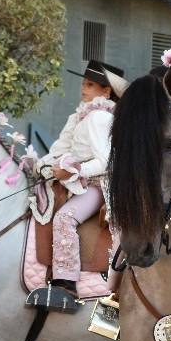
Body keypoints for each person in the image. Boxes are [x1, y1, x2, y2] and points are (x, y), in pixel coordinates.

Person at [38, 59, 124, 308]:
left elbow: (106, 162)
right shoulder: (79, 115)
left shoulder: (99, 117)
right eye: (83, 83)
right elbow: (58, 150)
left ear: (106, 91)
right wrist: (42, 166)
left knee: (64, 218)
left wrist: (74, 171)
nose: (83, 89)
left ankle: (66, 284)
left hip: (98, 185)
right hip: (74, 182)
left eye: (90, 84)